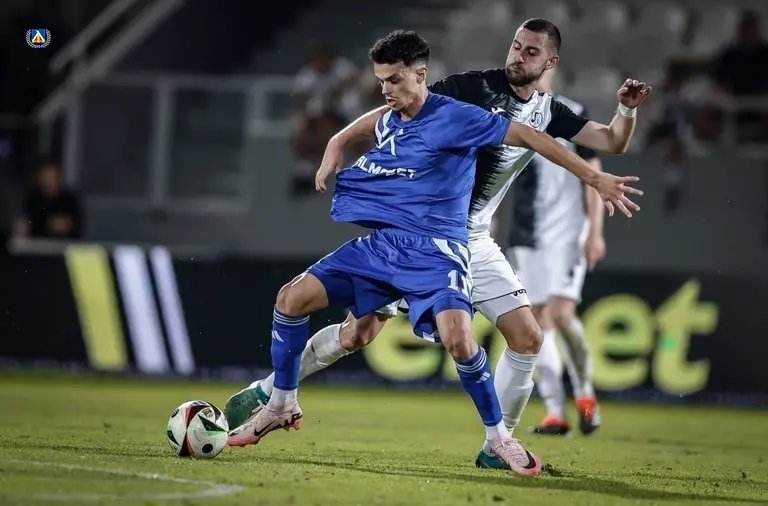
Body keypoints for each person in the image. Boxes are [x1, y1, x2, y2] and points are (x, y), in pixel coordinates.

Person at [226, 26, 645, 475]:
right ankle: (272, 391)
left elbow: (612, 141)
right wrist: (340, 138)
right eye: (516, 46)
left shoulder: (550, 112)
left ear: (550, 63)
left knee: (528, 337)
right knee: (356, 335)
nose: (519, 56)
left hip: (473, 239)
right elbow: (403, 104)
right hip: (420, 230)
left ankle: (497, 443)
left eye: (531, 52)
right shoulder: (472, 88)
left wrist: (626, 109)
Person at [505, 67, 604, 436]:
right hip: (527, 233)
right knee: (536, 322)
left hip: (568, 231)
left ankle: (585, 395)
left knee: (561, 314)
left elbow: (594, 176)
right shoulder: (509, 114)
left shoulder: (572, 113)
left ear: (551, 66)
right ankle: (555, 413)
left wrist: (595, 232)